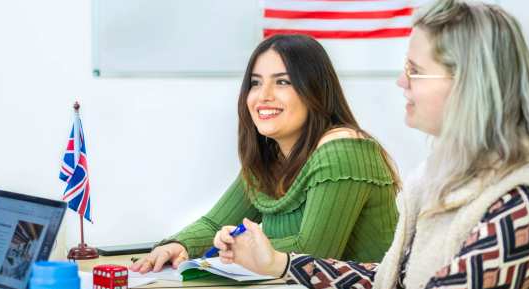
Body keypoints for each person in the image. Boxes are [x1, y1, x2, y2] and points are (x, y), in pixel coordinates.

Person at [204, 1, 529, 289]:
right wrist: (281, 263)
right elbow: (394, 283)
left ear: (469, 82)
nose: (401, 82)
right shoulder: (441, 180)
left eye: (415, 71)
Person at [131, 34, 401, 273]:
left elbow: (314, 253)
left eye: (282, 82)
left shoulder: (344, 150)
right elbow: (216, 222)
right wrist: (179, 245)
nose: (263, 96)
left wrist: (236, 246)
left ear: (315, 91)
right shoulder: (272, 154)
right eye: (256, 83)